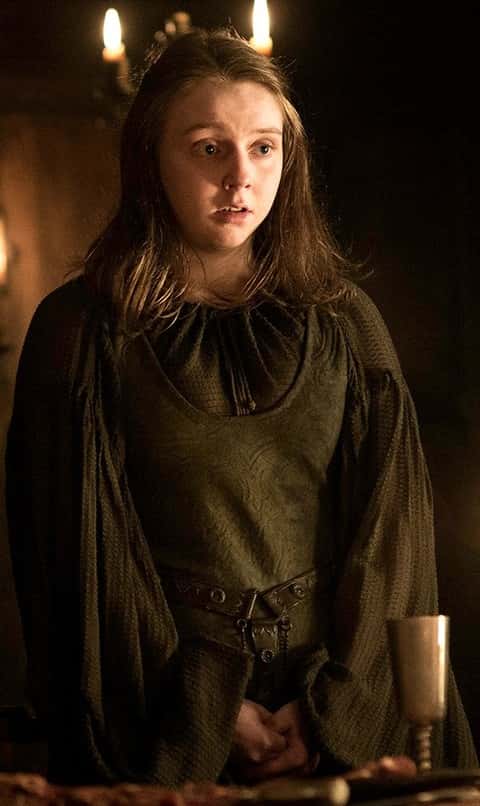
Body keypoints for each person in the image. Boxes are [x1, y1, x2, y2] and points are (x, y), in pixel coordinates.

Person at [6, 28, 477, 788]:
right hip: (163, 724)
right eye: (208, 148)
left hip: (331, 713)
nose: (240, 178)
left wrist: (328, 709)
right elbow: (78, 565)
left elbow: (394, 540)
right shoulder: (81, 333)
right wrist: (210, 711)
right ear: (150, 158)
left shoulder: (344, 323)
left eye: (263, 148)